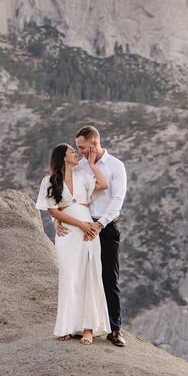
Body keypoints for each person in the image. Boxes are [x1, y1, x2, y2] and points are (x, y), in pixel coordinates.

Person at [55, 125, 128, 347]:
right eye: (77, 148)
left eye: (83, 148)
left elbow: (117, 200)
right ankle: (80, 325)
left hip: (106, 227)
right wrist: (57, 218)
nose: (80, 152)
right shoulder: (79, 168)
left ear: (94, 144)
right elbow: (66, 195)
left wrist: (100, 224)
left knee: (109, 277)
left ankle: (114, 329)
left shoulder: (116, 166)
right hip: (81, 228)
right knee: (83, 276)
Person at [36, 142, 110, 344]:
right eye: (71, 151)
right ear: (62, 157)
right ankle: (67, 326)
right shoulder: (49, 182)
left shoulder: (83, 177)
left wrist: (92, 164)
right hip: (69, 234)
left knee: (88, 277)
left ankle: (88, 329)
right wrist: (80, 225)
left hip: (88, 235)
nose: (76, 153)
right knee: (69, 278)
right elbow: (53, 210)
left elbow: (103, 185)